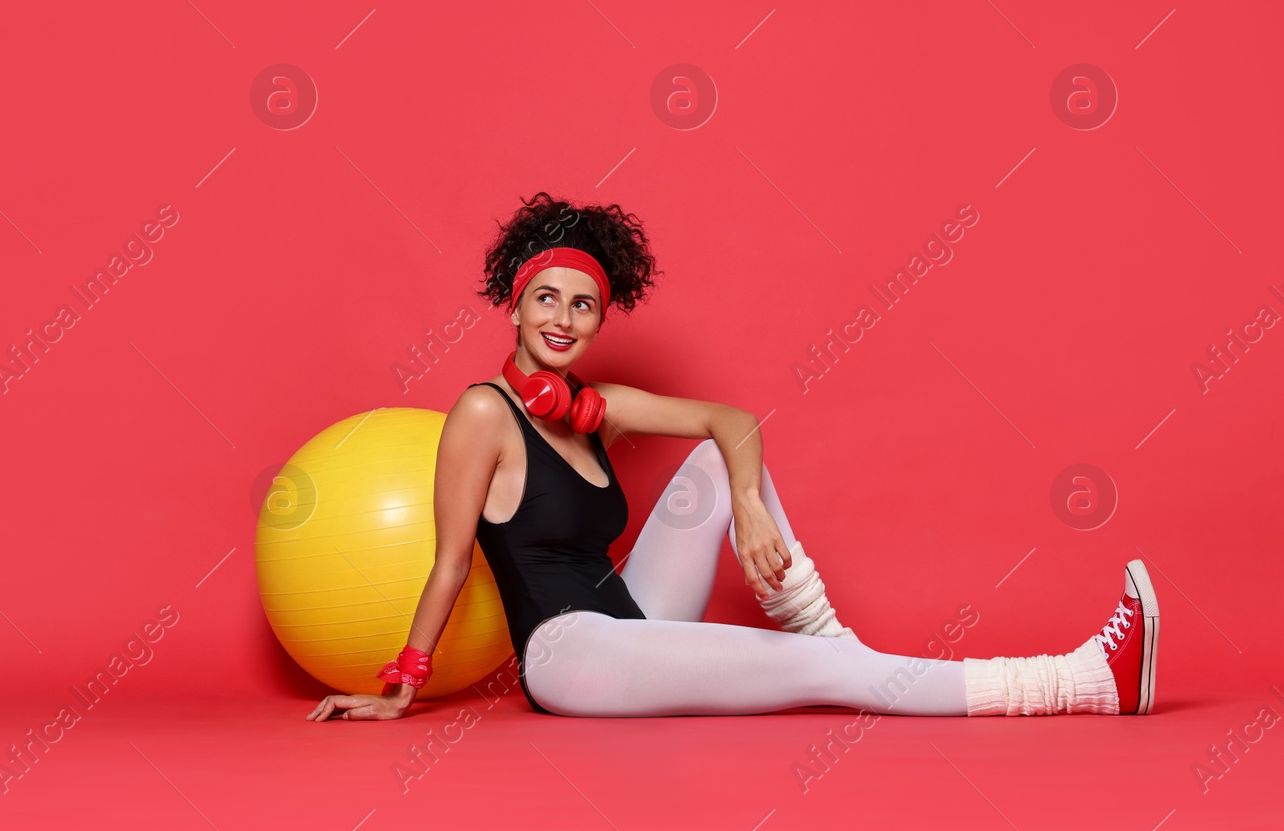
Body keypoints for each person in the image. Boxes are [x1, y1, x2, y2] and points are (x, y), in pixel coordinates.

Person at [307, 192, 1160, 722]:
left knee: (723, 464)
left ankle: (837, 644)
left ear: (601, 321)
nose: (562, 319)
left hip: (633, 617)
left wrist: (747, 505)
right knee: (818, 671)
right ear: (516, 307)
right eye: (544, 300)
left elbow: (734, 420)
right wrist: (401, 685)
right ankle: (1080, 681)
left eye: (582, 305)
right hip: (573, 655)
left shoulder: (594, 409)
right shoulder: (482, 415)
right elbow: (453, 562)